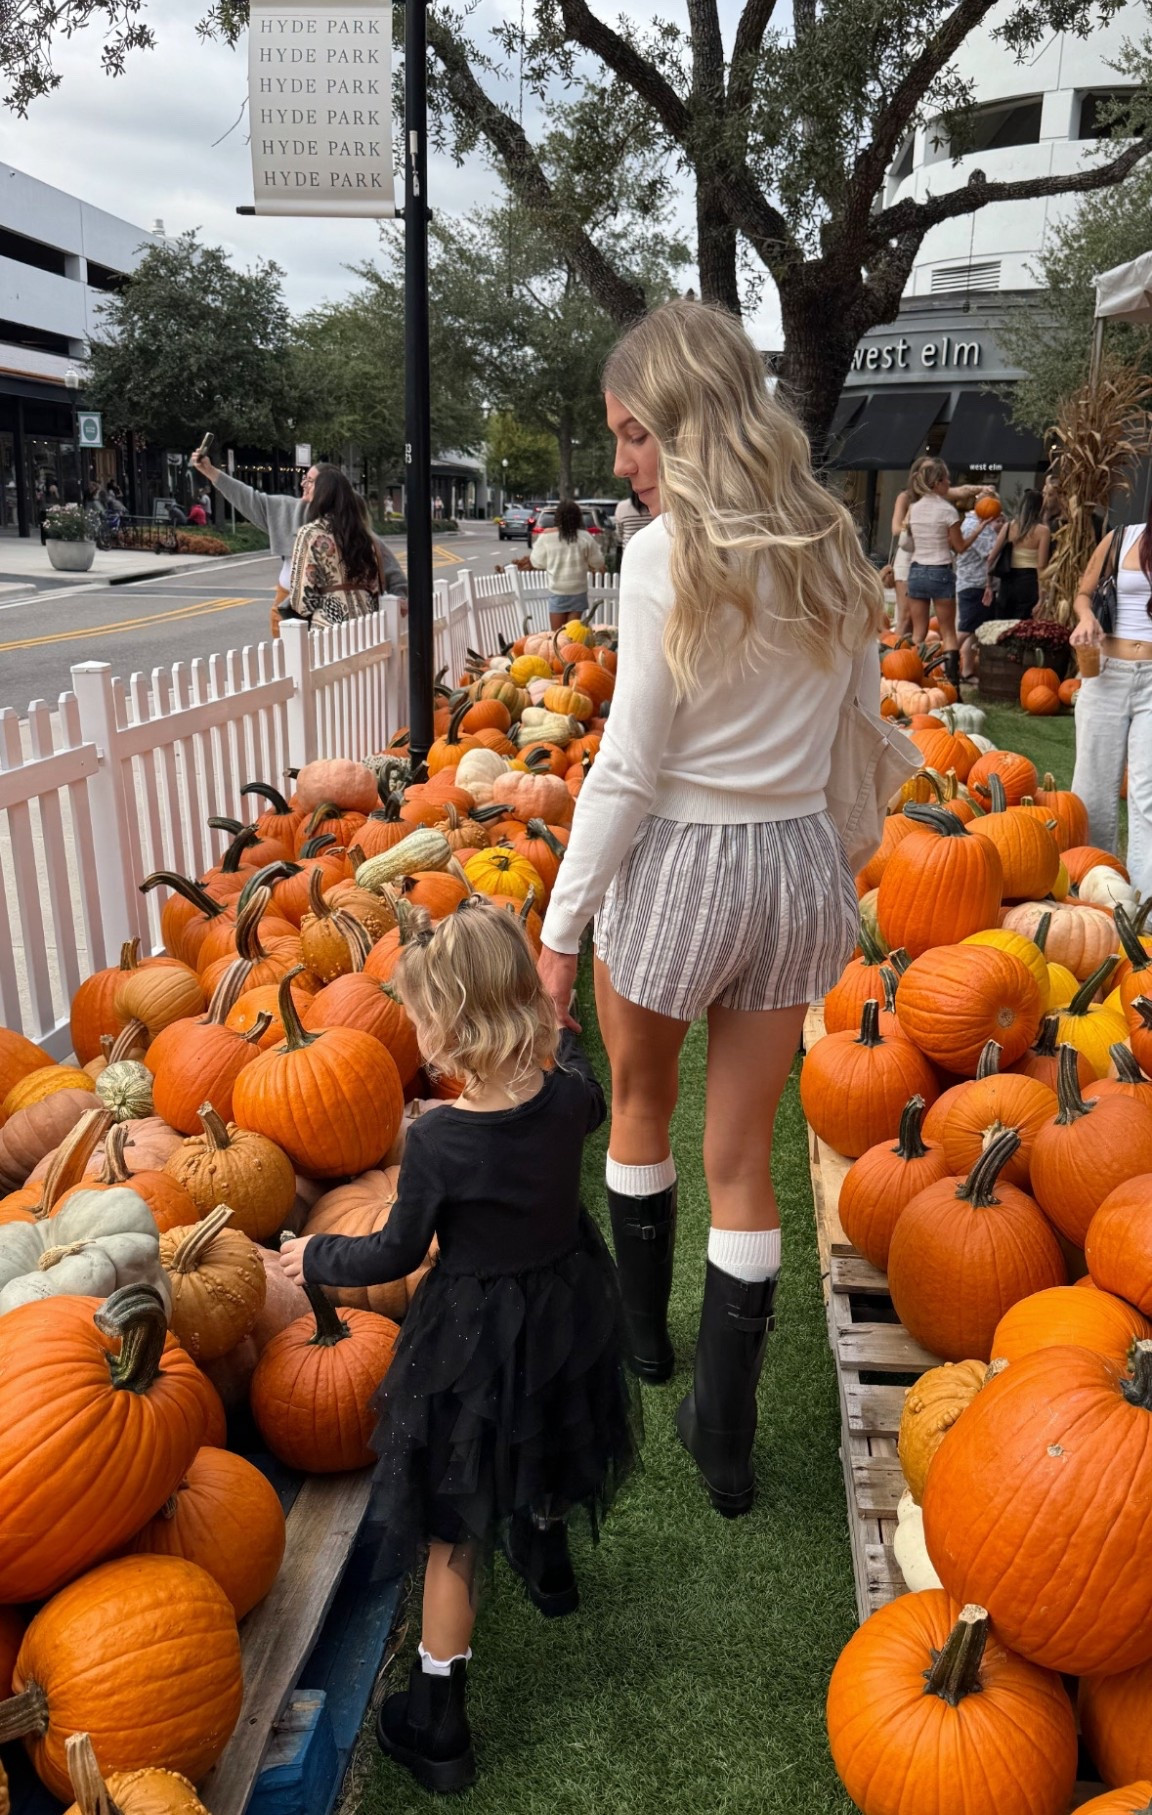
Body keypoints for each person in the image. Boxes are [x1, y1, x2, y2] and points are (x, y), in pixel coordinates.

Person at [536, 298, 883, 1518]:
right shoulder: (834, 540)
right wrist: (840, 859)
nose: (624, 464)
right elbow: (858, 733)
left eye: (634, 436)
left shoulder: (660, 555)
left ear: (683, 424)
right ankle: (724, 1445)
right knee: (744, 1160)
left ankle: (646, 1351)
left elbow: (630, 766)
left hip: (683, 864)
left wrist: (560, 928)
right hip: (793, 864)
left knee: (640, 1105)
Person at [281, 899, 639, 1794]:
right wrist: (566, 1029)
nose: (415, 1029)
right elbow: (588, 1074)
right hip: (564, 1303)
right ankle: (550, 1561)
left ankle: (439, 1720)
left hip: (473, 1339)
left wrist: (313, 1254)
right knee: (555, 1423)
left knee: (454, 1531)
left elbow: (396, 1251)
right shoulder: (568, 1098)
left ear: (457, 1022)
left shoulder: (438, 1138)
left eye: (422, 1015)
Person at [189, 451, 406, 627]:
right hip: (300, 614)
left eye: (310, 481)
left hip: (314, 618)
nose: (303, 484)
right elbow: (249, 499)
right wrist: (211, 472)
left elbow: (393, 573)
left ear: (326, 490)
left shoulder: (351, 531)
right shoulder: (288, 510)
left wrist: (400, 598)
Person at [1069, 502, 1152, 897]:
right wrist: (1087, 618)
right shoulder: (1121, 538)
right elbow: (1083, 594)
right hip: (1105, 674)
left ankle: (1147, 902)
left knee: (1148, 793)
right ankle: (1094, 890)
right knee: (1091, 790)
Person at [905, 458, 982, 684]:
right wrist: (980, 529)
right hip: (940, 570)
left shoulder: (913, 509)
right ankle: (952, 685)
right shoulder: (948, 511)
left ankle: (911, 679)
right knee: (948, 632)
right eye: (947, 478)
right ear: (937, 482)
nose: (950, 482)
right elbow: (959, 547)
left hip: (917, 570)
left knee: (918, 632)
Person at [281, 467, 386, 628]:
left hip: (329, 624)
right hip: (367, 622)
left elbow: (303, 600)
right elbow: (374, 586)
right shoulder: (362, 535)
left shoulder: (310, 533)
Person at [530, 499, 607, 629]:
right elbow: (598, 561)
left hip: (558, 591)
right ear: (578, 517)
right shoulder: (585, 536)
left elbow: (537, 562)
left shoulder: (548, 537)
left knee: (557, 637)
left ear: (558, 517)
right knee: (573, 636)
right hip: (578, 592)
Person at [955, 490, 1003, 682]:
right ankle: (941, 662)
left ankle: (966, 671)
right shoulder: (974, 527)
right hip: (974, 584)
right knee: (966, 628)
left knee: (974, 631)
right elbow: (991, 554)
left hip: (981, 585)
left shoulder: (984, 525)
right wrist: (1003, 535)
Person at [987, 488, 1051, 621]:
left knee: (1003, 625)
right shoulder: (1043, 531)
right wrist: (1042, 598)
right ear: (1039, 507)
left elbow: (991, 558)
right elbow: (1041, 566)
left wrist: (988, 585)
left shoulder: (1008, 527)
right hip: (1029, 583)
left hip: (1007, 582)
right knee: (1023, 628)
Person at [889, 458, 931, 638]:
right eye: (926, 472)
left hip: (926, 559)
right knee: (905, 616)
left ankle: (912, 658)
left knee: (919, 619)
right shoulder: (906, 498)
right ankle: (894, 658)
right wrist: (912, 515)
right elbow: (896, 528)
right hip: (907, 558)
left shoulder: (935, 501)